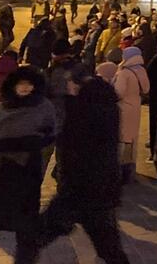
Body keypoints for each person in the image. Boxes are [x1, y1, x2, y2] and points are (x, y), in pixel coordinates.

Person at [23, 71, 128, 264]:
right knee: (111, 250)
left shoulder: (82, 113)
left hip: (78, 191)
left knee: (34, 238)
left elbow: (66, 133)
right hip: (101, 191)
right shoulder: (108, 109)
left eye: (72, 85)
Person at [0, 66, 57, 264]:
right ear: (13, 85)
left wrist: (31, 142)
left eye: (30, 84)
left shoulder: (43, 107)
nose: (26, 88)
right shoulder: (2, 108)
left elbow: (50, 134)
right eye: (22, 84)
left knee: (26, 225)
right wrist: (10, 143)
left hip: (26, 174)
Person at [113, 44, 150, 182]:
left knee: (123, 138)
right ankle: (131, 167)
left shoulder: (124, 73)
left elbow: (119, 92)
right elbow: (146, 89)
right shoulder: (141, 70)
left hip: (124, 107)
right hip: (136, 106)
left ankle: (122, 169)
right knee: (133, 138)